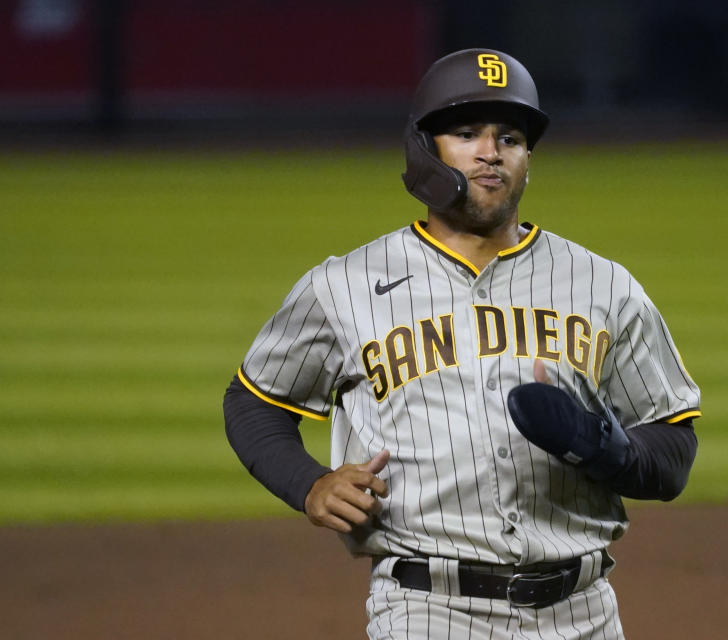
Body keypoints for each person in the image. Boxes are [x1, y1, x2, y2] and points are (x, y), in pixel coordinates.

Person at [224, 48, 701, 639]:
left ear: (528, 159)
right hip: (429, 609)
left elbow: (673, 444)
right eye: (466, 133)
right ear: (426, 151)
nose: (490, 151)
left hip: (584, 611)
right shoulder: (342, 285)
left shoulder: (604, 284)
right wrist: (310, 484)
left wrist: (604, 447)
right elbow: (254, 402)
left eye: (510, 137)